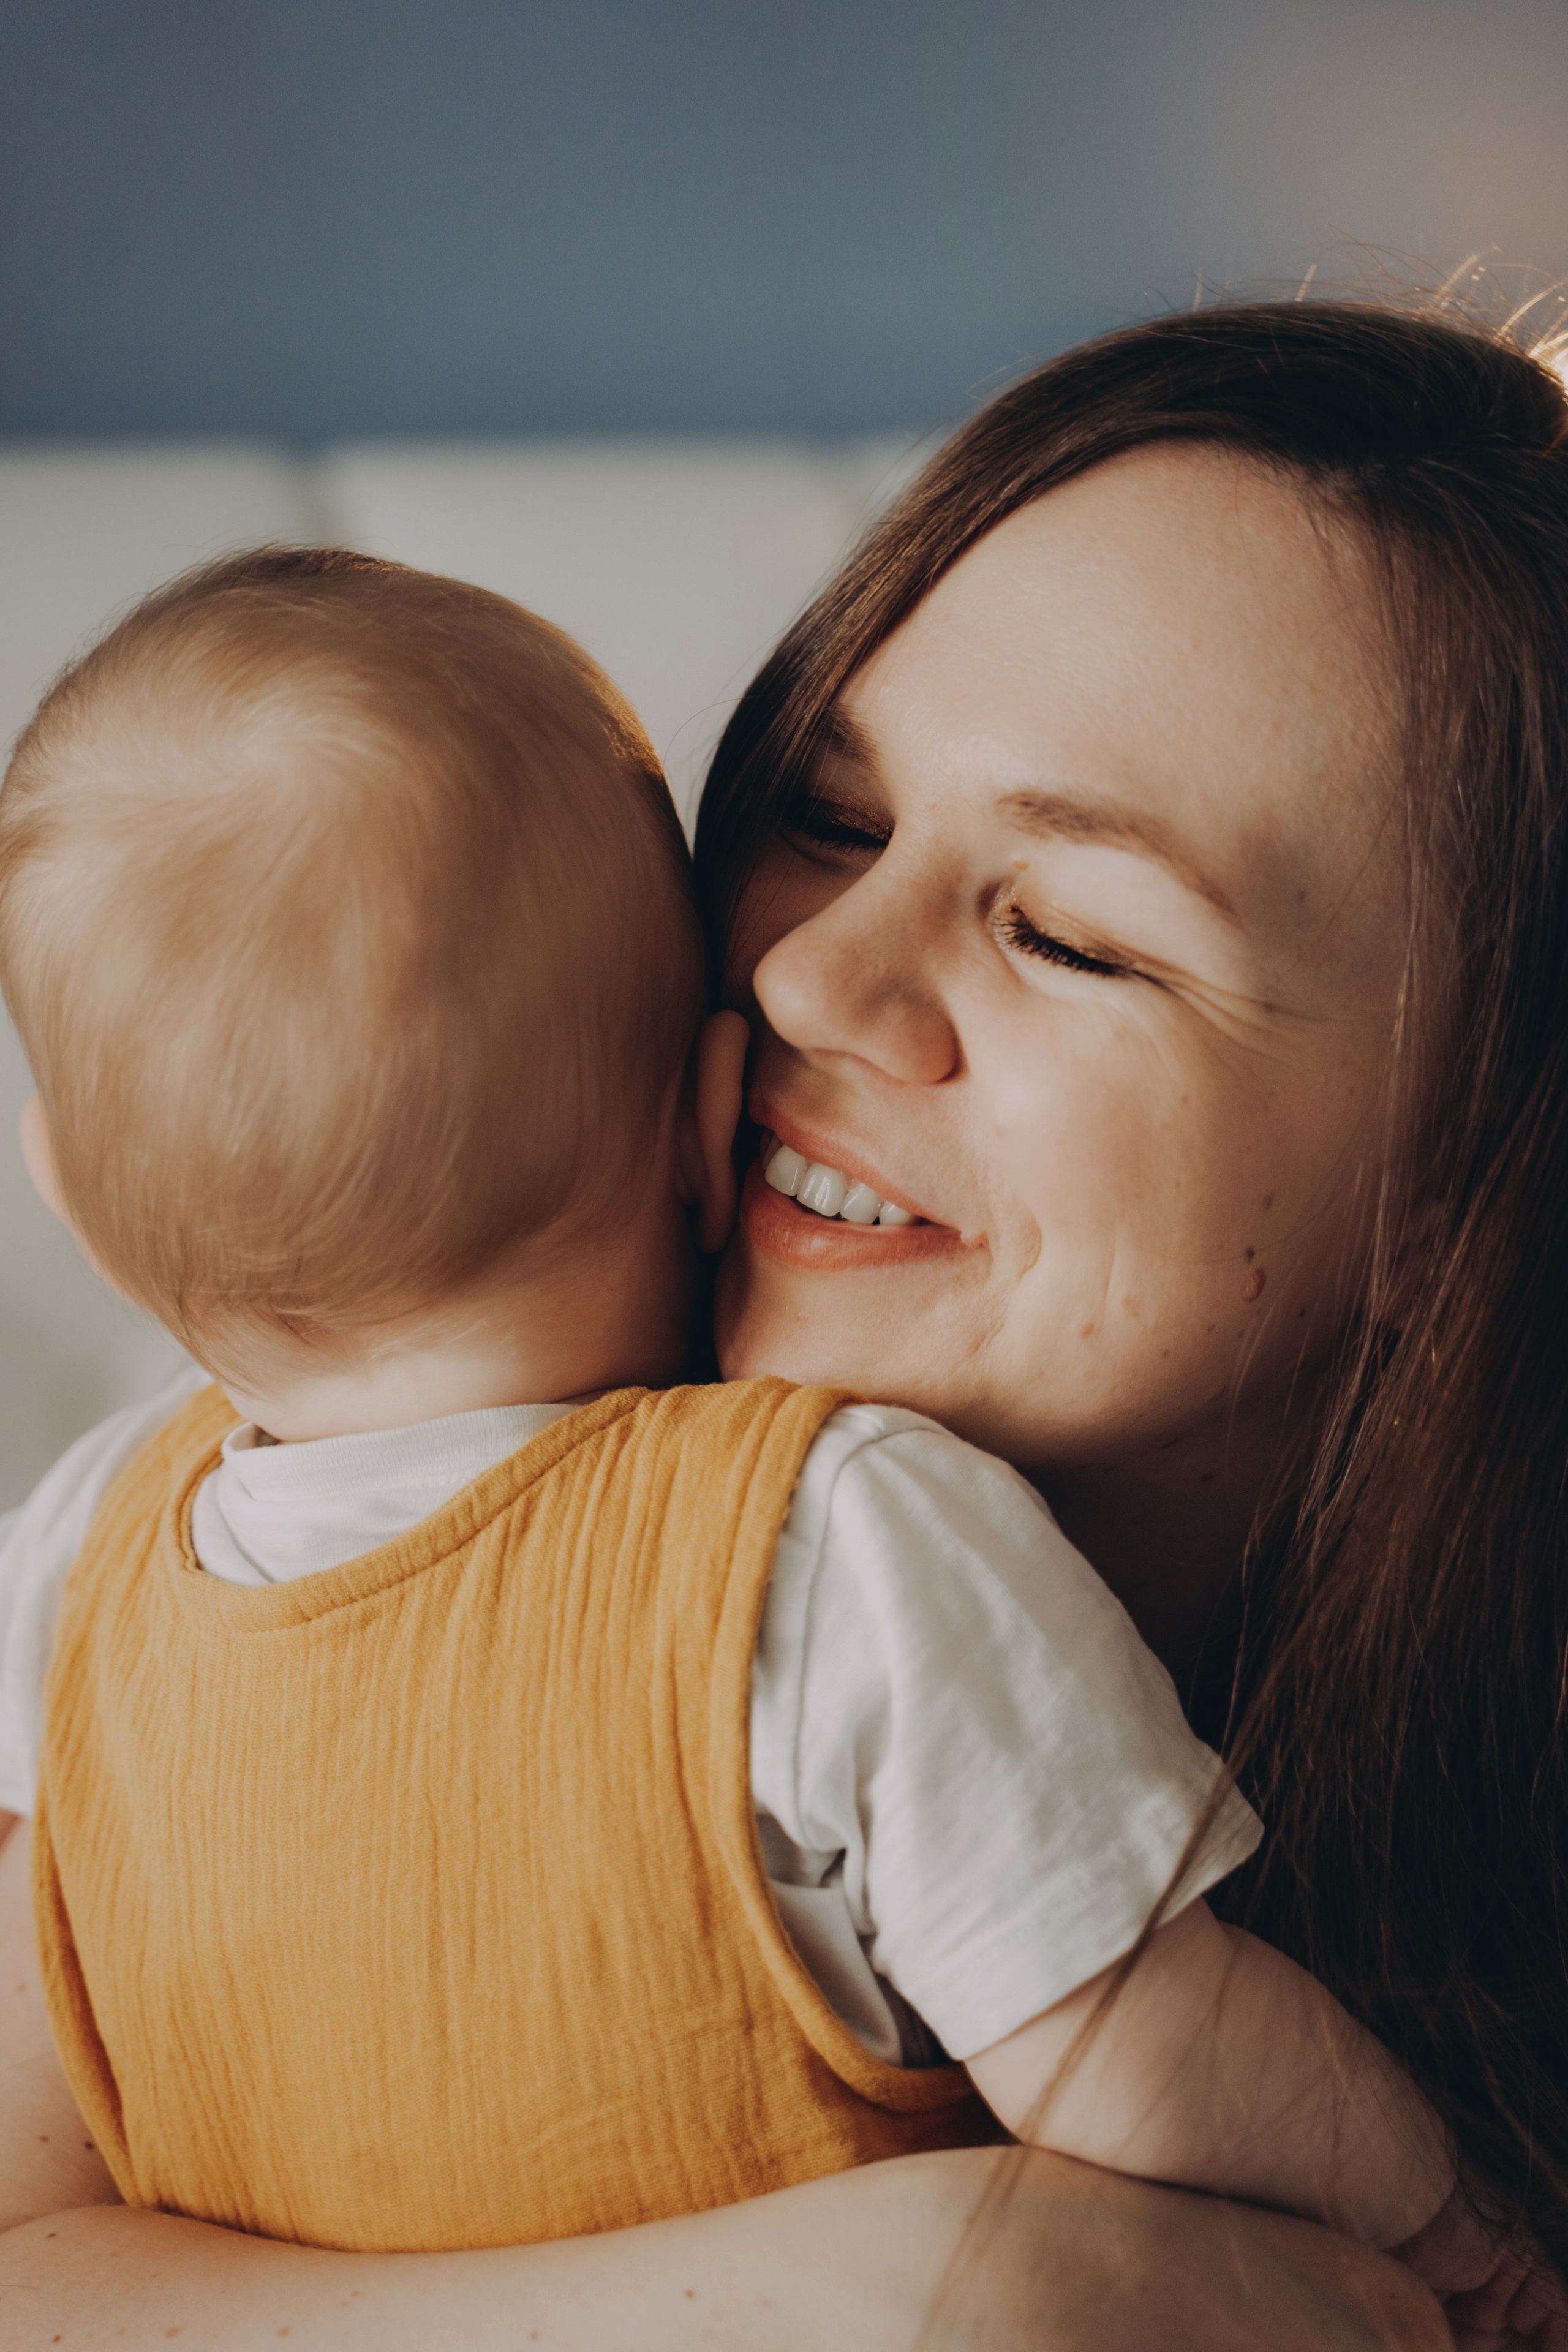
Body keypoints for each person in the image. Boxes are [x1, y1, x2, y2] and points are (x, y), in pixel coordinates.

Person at [1, 290, 1558, 2349]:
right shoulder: (192, 1540)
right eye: (831, 814)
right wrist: (857, 2299)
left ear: (1473, 1183)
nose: (812, 978)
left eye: (1070, 936)